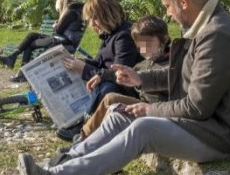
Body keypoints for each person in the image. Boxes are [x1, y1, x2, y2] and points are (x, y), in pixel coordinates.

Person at [17, 0, 230, 175]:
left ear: (182, 1)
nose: (167, 13)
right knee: (119, 112)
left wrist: (148, 109)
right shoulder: (202, 27)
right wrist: (139, 78)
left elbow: (196, 107)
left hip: (221, 135)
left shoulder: (217, 36)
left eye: (168, 6)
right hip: (201, 124)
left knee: (143, 128)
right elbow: (180, 74)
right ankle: (61, 163)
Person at [75, 15, 178, 143]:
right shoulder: (143, 64)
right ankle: (84, 137)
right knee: (111, 98)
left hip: (160, 111)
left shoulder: (173, 62)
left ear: (164, 39)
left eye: (148, 43)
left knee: (111, 98)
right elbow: (126, 75)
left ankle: (94, 141)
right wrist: (103, 75)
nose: (143, 49)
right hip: (141, 104)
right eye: (139, 45)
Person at [56, 0, 140, 141]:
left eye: (95, 19)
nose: (92, 25)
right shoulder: (109, 35)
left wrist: (84, 68)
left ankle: (82, 125)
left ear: (107, 15)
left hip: (129, 89)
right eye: (90, 20)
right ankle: (78, 119)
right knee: (99, 82)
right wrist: (82, 62)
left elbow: (120, 73)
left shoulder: (124, 36)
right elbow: (100, 63)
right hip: (114, 82)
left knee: (106, 86)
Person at [0, 0, 85, 83]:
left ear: (62, 4)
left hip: (62, 42)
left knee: (29, 44)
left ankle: (20, 70)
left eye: (58, 9)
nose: (58, 11)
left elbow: (58, 30)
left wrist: (55, 25)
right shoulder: (76, 10)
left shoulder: (70, 12)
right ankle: (14, 60)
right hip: (62, 39)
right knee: (31, 35)